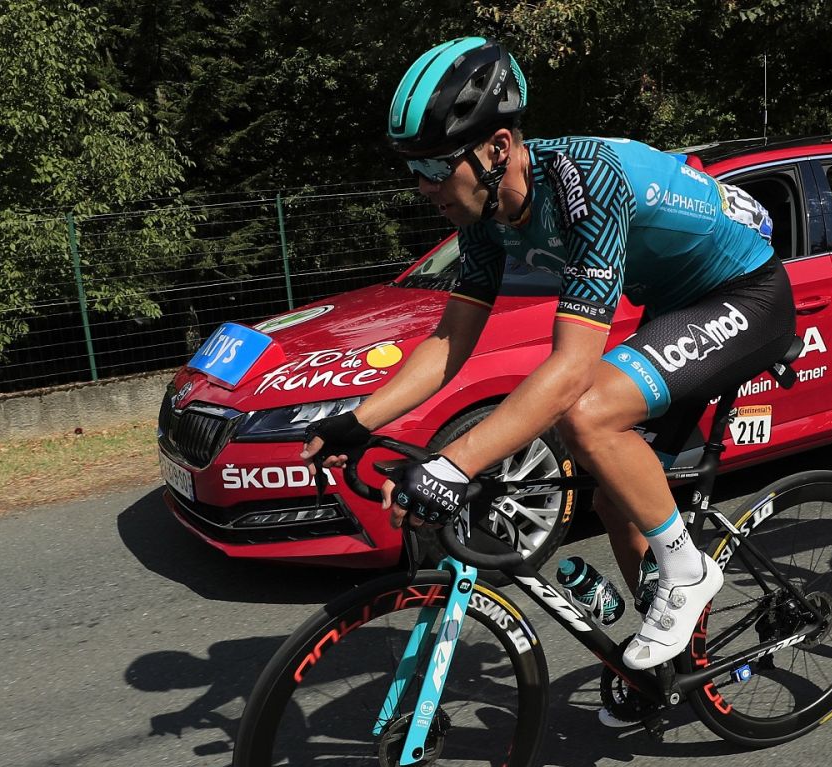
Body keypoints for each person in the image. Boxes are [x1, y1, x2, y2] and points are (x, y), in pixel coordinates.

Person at [301, 37, 793, 677]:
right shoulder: (482, 216)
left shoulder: (589, 184)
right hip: (674, 307)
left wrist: (453, 467)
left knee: (585, 416)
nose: (422, 189)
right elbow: (449, 343)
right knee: (615, 495)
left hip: (746, 295)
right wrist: (356, 422)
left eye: (432, 169)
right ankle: (671, 655)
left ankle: (687, 571)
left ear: (496, 149)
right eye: (411, 172)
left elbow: (569, 372)